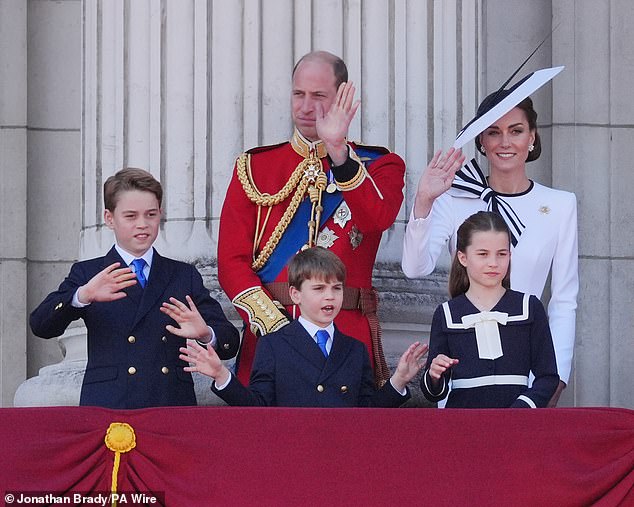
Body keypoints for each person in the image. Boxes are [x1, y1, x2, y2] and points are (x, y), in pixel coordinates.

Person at [218, 50, 409, 386]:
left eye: (318, 96)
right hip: (270, 337)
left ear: (342, 98)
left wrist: (339, 153)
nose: (306, 107)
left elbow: (376, 219)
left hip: (345, 336)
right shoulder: (254, 167)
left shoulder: (380, 166)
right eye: (298, 94)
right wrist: (276, 327)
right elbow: (231, 261)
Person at [402, 89, 578, 407]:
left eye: (516, 131)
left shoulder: (561, 205)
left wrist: (556, 379)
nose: (505, 142)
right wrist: (423, 201)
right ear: (481, 141)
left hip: (527, 374)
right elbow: (415, 268)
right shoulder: (454, 198)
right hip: (463, 368)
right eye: (493, 132)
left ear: (533, 138)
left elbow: (564, 300)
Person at [30, 168, 240, 409]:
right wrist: (82, 296)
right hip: (110, 404)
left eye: (150, 214)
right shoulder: (89, 273)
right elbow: (41, 325)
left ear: (160, 214)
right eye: (131, 216)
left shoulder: (183, 275)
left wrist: (206, 334)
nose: (143, 224)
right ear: (110, 218)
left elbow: (229, 342)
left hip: (169, 402)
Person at [181, 247, 428, 407]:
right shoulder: (274, 345)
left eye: (336, 288)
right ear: (295, 294)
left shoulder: (354, 349)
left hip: (342, 460)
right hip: (291, 459)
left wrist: (398, 380)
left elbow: (366, 413)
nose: (329, 297)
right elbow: (257, 407)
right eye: (319, 289)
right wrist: (222, 376)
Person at [419, 211, 559, 408]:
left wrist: (521, 409)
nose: (493, 263)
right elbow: (433, 393)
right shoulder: (447, 314)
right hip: (463, 426)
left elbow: (548, 377)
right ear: (463, 257)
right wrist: (435, 375)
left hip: (516, 425)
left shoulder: (529, 307)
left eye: (501, 254)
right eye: (483, 254)